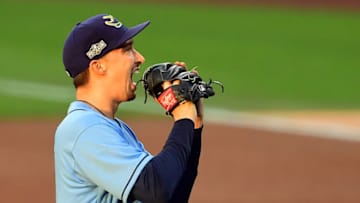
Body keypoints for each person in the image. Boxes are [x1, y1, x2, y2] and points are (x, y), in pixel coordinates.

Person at [54, 13, 204, 203]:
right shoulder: (84, 128)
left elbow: (172, 195)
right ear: (98, 66)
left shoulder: (113, 129)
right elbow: (157, 190)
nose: (140, 58)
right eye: (127, 49)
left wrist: (194, 126)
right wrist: (182, 119)